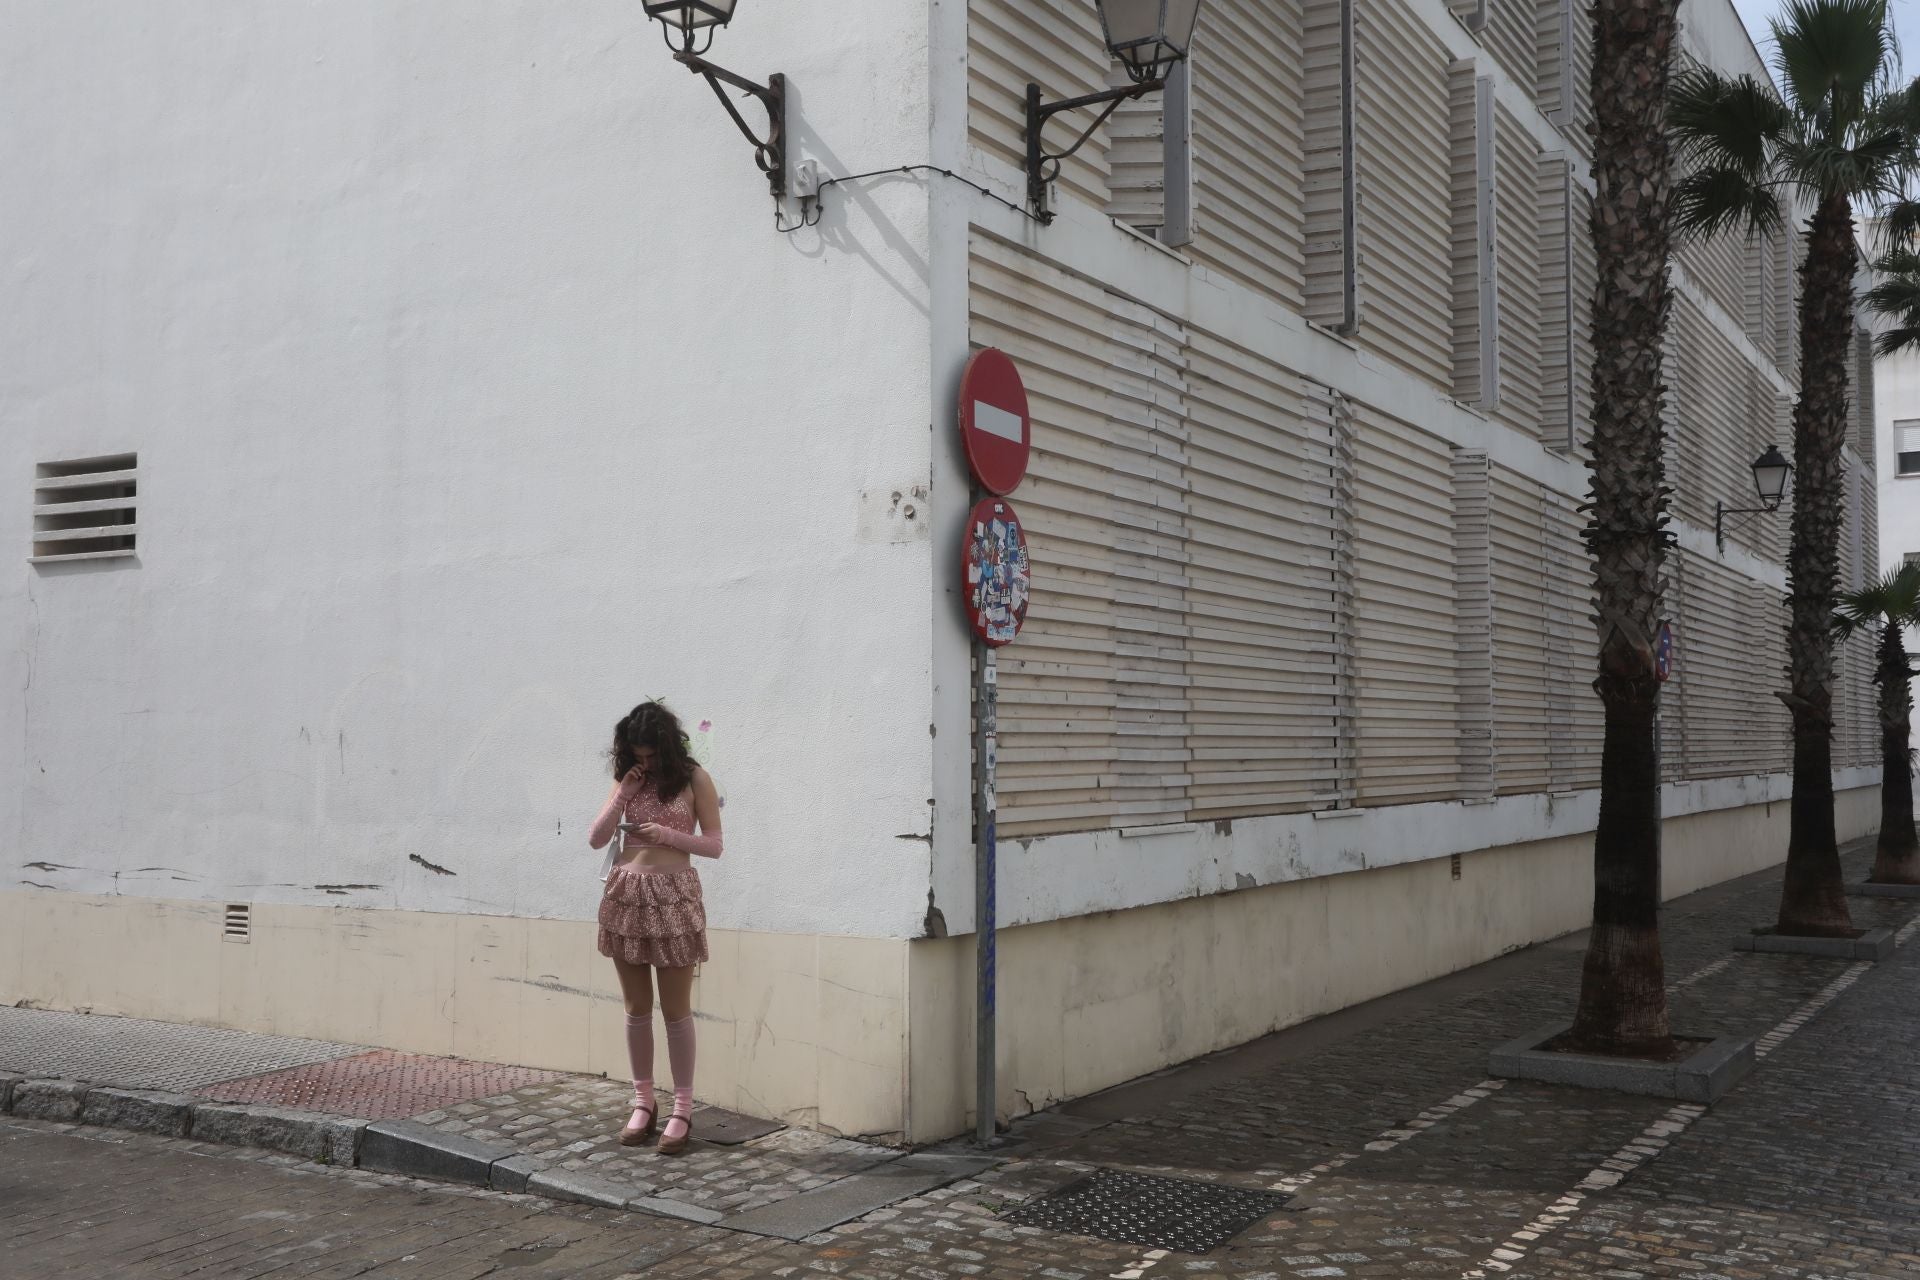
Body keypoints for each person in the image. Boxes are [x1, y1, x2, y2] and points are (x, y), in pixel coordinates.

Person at [587, 701, 723, 1155]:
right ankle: (643, 1103)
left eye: (649, 755)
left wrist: (666, 835)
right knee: (635, 1006)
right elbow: (596, 838)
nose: (643, 763)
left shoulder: (694, 778)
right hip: (626, 894)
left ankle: (682, 1108)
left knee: (676, 1010)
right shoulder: (629, 778)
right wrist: (624, 792)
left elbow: (714, 845)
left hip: (674, 896)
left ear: (666, 744)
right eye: (635, 755)